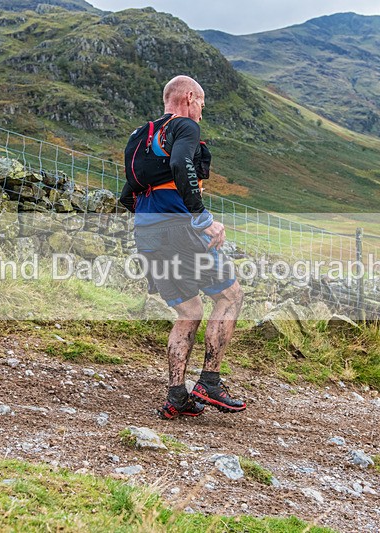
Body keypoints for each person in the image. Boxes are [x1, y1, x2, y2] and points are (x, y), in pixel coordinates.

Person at [121, 75, 246, 419]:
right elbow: (179, 165)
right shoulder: (184, 127)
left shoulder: (139, 136)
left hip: (147, 235)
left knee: (189, 309)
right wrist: (202, 219)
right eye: (202, 104)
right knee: (231, 295)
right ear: (190, 97)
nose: (202, 112)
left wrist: (154, 225)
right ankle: (209, 381)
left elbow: (126, 195)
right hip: (179, 231)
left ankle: (177, 395)